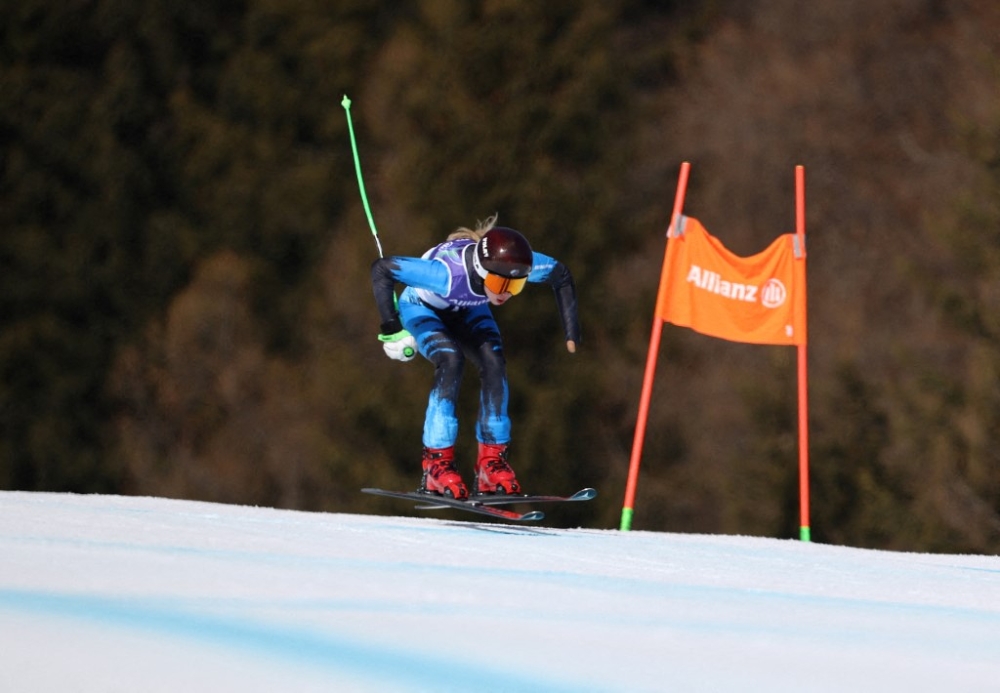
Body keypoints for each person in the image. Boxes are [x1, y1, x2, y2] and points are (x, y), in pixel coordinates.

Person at [371, 214, 580, 499]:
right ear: (482, 271)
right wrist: (391, 329)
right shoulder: (446, 275)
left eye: (515, 287)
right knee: (450, 361)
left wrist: (571, 332)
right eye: (500, 285)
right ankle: (436, 464)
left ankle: (491, 464)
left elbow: (561, 275)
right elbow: (383, 269)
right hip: (423, 308)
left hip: (469, 309)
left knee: (494, 363)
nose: (505, 294)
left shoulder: (513, 265)